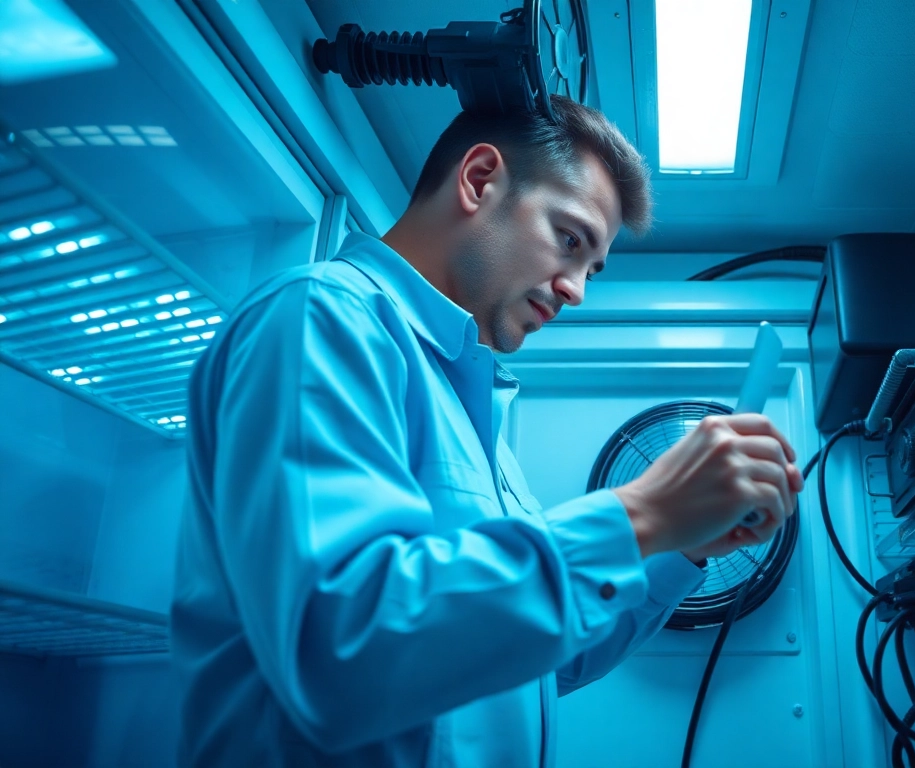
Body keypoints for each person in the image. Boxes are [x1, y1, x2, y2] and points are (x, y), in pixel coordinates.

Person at [169, 95, 803, 767]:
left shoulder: (474, 415)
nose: (578, 291)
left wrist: (685, 547)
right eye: (570, 240)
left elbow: (534, 662)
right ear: (478, 181)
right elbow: (338, 653)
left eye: (593, 268)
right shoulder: (319, 320)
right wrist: (642, 513)